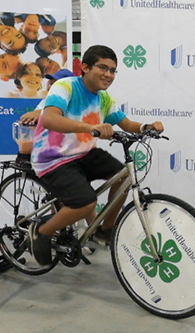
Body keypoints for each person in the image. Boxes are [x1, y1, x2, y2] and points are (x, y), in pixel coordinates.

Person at [28, 45, 163, 265]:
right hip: (53, 159)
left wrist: (147, 126)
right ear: (85, 67)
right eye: (103, 67)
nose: (108, 75)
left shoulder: (103, 98)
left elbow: (126, 123)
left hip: (82, 154)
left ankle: (104, 231)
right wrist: (90, 128)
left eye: (112, 70)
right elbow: (50, 118)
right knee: (86, 204)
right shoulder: (66, 86)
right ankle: (42, 230)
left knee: (124, 176)